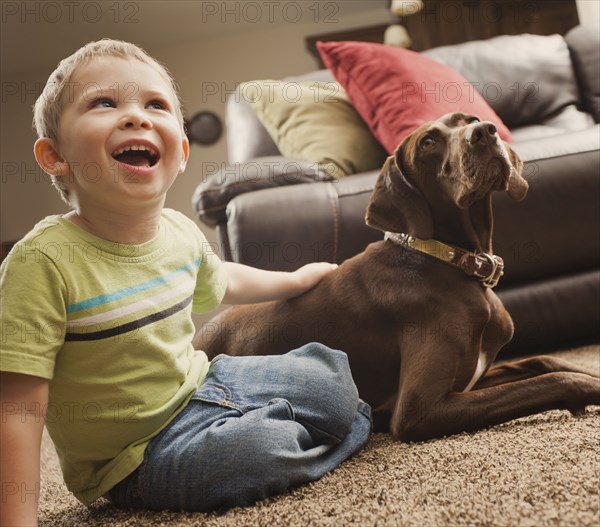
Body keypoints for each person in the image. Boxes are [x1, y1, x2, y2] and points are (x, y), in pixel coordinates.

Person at [0, 39, 372, 526]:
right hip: (135, 457)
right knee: (258, 449)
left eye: (155, 104)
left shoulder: (178, 230)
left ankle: (307, 418)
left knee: (331, 376)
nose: (136, 117)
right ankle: (321, 430)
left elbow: (225, 280)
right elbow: (17, 409)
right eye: (104, 103)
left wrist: (296, 279)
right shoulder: (43, 262)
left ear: (180, 153)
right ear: (54, 156)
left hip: (207, 383)